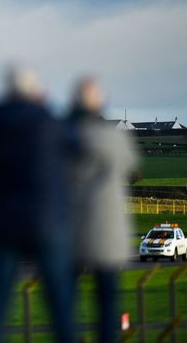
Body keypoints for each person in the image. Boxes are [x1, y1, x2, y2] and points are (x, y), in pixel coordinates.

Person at [0, 65, 76, 343]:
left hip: (5, 222)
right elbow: (75, 144)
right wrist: (43, 104)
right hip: (45, 221)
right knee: (58, 301)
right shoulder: (46, 121)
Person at [67, 77, 138, 343]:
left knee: (68, 305)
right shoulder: (113, 137)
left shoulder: (65, 136)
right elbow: (132, 166)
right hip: (107, 234)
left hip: (73, 231)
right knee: (107, 302)